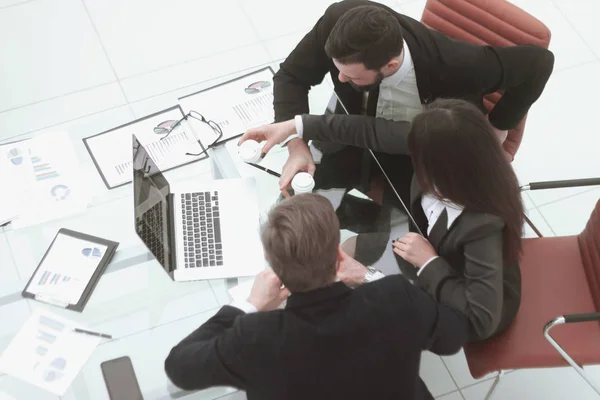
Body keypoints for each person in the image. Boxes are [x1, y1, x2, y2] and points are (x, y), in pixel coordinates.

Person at [240, 98, 524, 341]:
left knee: (352, 320)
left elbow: (481, 320)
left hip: (463, 303)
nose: (413, 158)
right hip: (423, 252)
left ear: (444, 167)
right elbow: (368, 130)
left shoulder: (484, 227)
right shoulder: (445, 145)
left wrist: (427, 263)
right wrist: (294, 128)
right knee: (346, 254)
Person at [164, 193, 469, 400]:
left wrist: (249, 305)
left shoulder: (256, 338)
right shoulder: (394, 297)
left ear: (273, 267)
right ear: (339, 254)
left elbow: (179, 368)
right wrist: (368, 276)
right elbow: (452, 337)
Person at [272, 0, 553, 202]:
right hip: (359, 131)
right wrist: (296, 146)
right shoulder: (339, 23)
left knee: (413, 239)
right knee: (294, 201)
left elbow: (539, 63)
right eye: (338, 70)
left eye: (351, 76)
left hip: (429, 150)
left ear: (391, 66)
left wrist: (499, 125)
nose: (340, 80)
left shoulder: (460, 65)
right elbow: (290, 77)